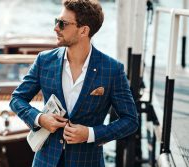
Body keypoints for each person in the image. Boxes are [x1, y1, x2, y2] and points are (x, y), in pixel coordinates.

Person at [9, 0, 138, 166]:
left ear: (84, 30)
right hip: (45, 161)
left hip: (87, 161)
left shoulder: (112, 70)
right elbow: (16, 99)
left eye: (62, 24)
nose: (56, 28)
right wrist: (40, 119)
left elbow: (130, 120)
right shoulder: (44, 60)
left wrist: (90, 134)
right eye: (57, 21)